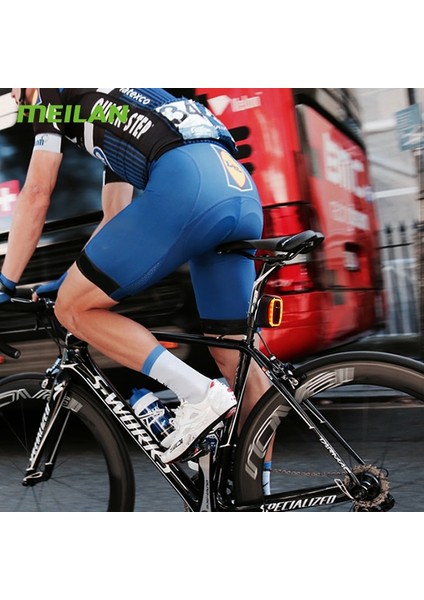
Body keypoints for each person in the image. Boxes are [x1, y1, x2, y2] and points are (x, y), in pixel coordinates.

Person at [0, 88, 270, 464]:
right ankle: (256, 486)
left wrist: (6, 281)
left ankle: (200, 395)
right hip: (238, 191)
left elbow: (36, 192)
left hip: (188, 186)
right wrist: (68, 278)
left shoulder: (49, 90)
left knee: (72, 310)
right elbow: (116, 216)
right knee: (236, 360)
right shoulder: (116, 98)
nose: (15, 95)